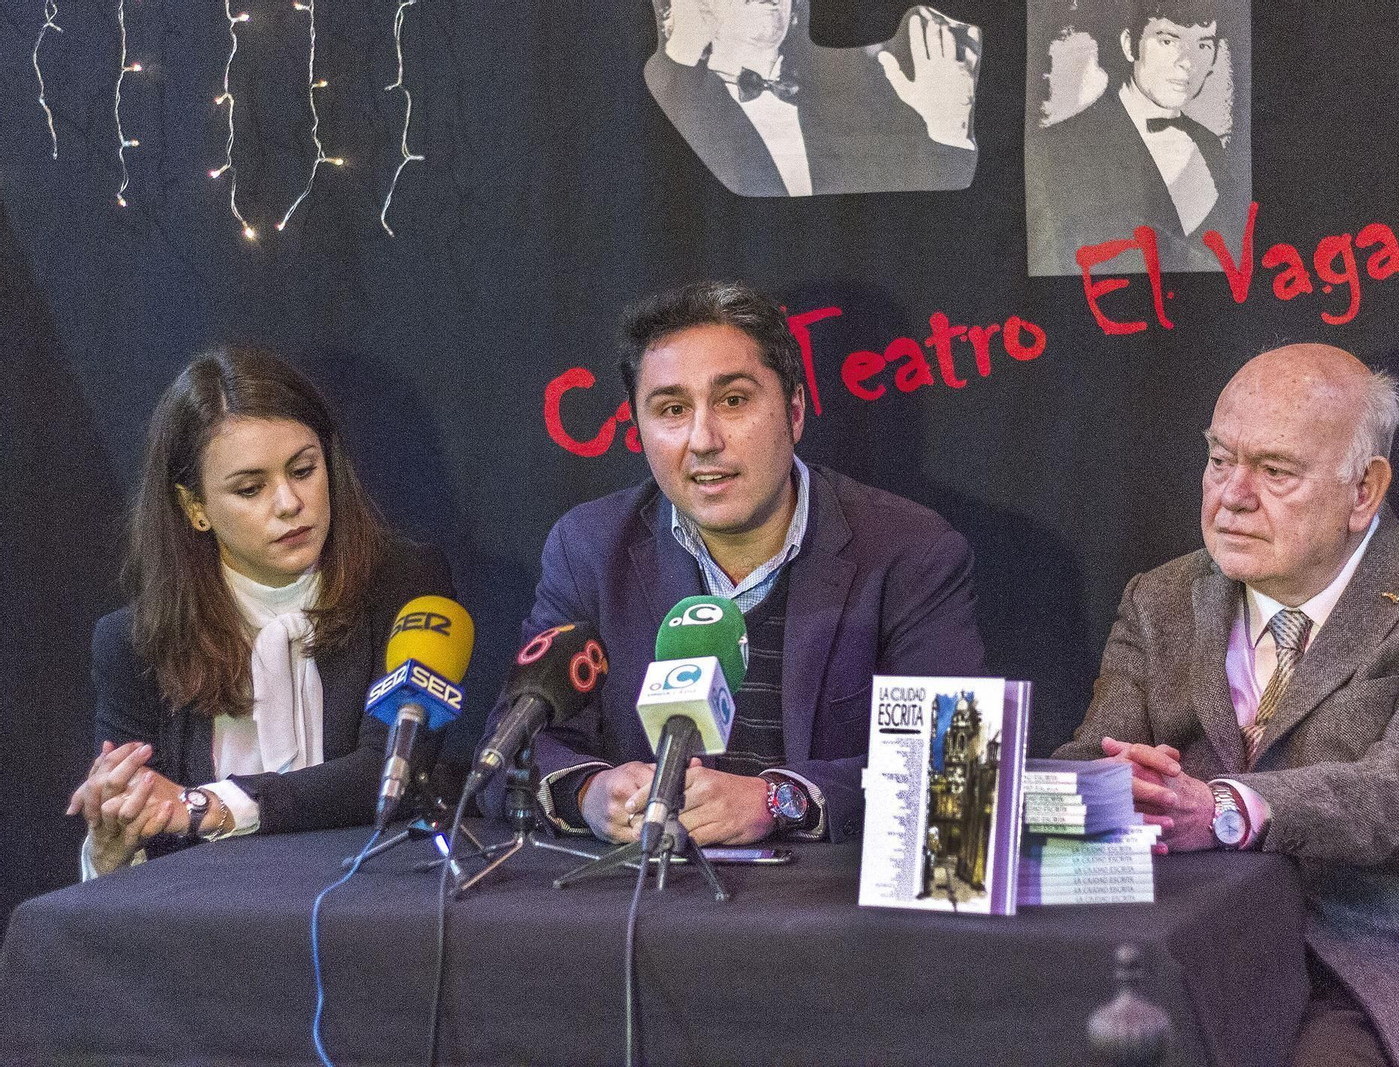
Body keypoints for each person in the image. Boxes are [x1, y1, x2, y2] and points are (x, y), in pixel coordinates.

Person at [1054, 343, 1399, 1066]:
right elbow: (1088, 766)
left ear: (1364, 490)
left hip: (1370, 969)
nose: (1232, 495)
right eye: (1220, 460)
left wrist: (1221, 804)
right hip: (1180, 954)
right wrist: (1106, 792)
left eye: (1274, 470)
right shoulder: (1158, 598)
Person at [485, 280, 984, 844]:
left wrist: (777, 799)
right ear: (640, 428)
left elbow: (953, 776)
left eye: (734, 401)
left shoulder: (910, 551)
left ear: (794, 411)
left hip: (824, 912)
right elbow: (508, 749)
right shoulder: (590, 549)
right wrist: (590, 794)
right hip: (647, 902)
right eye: (672, 409)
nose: (703, 439)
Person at [66, 347, 454, 877]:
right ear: (195, 508)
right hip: (207, 933)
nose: (289, 502)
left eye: (304, 470)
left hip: (365, 911)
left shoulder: (406, 584)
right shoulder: (133, 643)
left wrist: (206, 806)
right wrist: (113, 841)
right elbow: (140, 843)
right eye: (250, 488)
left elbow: (389, 774)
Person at [644, 0, 980, 196]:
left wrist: (947, 131)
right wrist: (680, 52)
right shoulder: (673, 108)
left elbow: (927, 228)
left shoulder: (860, 107)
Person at [1027, 0, 1246, 274]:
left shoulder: (1210, 144)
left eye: (1203, 45)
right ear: (1130, 45)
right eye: (1168, 41)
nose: (1187, 62)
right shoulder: (1056, 148)